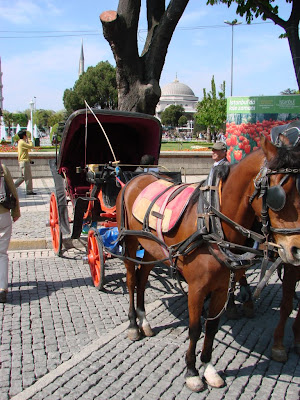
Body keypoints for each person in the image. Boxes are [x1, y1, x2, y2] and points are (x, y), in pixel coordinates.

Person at [0, 162, 20, 302]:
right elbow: (13, 190)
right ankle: (2, 287)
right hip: (3, 214)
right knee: (1, 253)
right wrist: (16, 211)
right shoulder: (2, 167)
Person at [14, 130, 36, 195]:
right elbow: (31, 146)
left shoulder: (21, 142)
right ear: (24, 136)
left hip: (24, 161)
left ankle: (12, 187)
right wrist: (29, 139)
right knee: (28, 177)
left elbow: (25, 153)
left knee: (23, 177)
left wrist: (30, 160)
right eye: (26, 135)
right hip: (24, 162)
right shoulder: (22, 142)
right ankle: (29, 191)